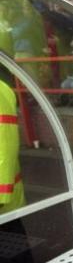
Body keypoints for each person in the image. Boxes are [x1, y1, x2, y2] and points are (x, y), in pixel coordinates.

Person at [0, 79, 26, 214]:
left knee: (11, 233)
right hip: (6, 198)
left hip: (4, 203)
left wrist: (1, 196)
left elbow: (4, 145)